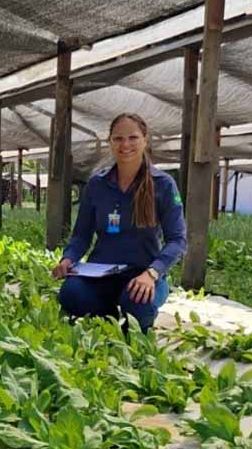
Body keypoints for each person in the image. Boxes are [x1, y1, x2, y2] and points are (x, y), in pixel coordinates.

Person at [52, 113, 187, 333]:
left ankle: (134, 320)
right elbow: (81, 235)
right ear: (110, 143)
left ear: (145, 140)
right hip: (101, 273)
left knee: (138, 304)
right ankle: (108, 318)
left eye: (133, 137)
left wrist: (152, 273)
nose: (125, 144)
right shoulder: (97, 184)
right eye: (118, 138)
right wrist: (68, 259)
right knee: (70, 294)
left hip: (143, 273)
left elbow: (177, 240)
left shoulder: (163, 185)